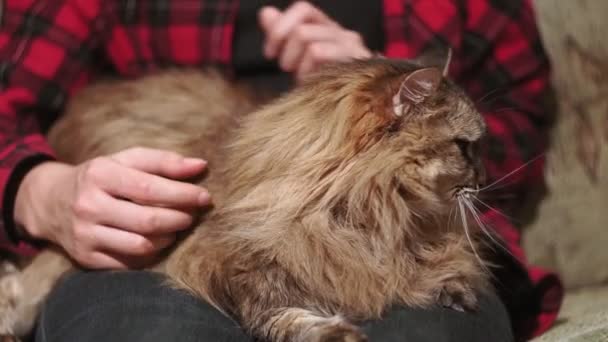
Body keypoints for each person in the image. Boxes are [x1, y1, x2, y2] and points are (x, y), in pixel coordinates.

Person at [0, 0, 562, 341]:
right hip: (165, 235)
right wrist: (35, 191)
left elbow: (520, 117)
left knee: (430, 333)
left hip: (416, 234)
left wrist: (383, 96)